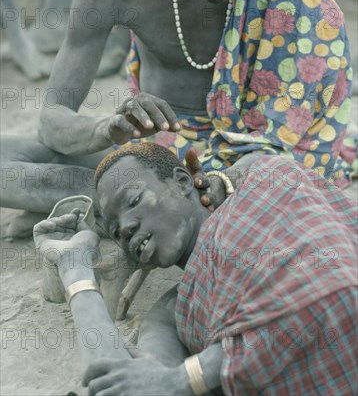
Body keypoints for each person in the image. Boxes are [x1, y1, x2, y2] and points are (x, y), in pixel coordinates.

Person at [1, 0, 354, 237]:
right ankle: (134, 206)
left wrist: (226, 180)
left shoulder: (298, 1)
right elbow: (53, 120)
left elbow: (292, 141)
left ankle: (104, 205)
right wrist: (109, 129)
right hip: (154, 159)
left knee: (271, 194)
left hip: (242, 172)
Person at [33, 142, 357, 395]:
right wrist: (74, 269)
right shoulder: (175, 312)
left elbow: (335, 291)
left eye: (133, 201)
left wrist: (186, 380)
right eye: (116, 232)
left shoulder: (266, 182)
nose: (127, 227)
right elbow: (121, 387)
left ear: (182, 182)